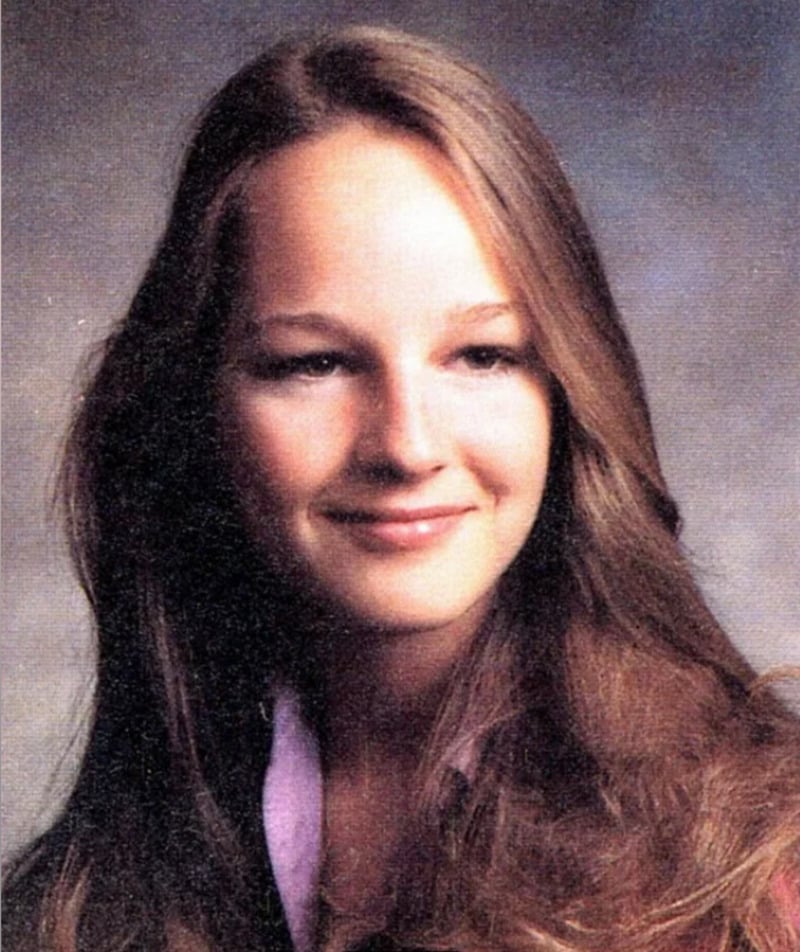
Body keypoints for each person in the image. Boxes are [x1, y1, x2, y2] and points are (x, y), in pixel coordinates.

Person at [3, 25, 798, 952]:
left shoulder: (763, 869)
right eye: (316, 363)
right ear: (192, 403)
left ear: (568, 392)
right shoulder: (89, 889)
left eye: (483, 355)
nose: (407, 446)